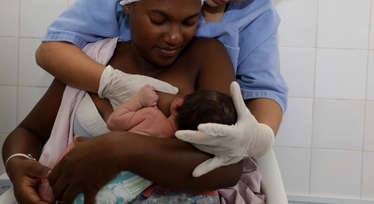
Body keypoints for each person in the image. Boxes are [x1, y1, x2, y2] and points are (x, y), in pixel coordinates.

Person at [32, 0, 298, 199]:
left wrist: (256, 135)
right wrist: (111, 82)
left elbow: (264, 88)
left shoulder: (249, 18)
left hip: (190, 155)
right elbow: (54, 49)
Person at [3, 0, 253, 204]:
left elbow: (227, 165)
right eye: (158, 20)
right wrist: (18, 165)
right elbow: (28, 132)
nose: (174, 37)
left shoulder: (207, 56)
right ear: (128, 8)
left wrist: (117, 149)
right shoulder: (94, 59)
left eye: (189, 22)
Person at [38, 86, 237, 203]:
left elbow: (114, 122)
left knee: (78, 146)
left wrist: (138, 100)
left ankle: (48, 186)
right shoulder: (184, 147)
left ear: (177, 105)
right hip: (129, 186)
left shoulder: (151, 115)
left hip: (104, 168)